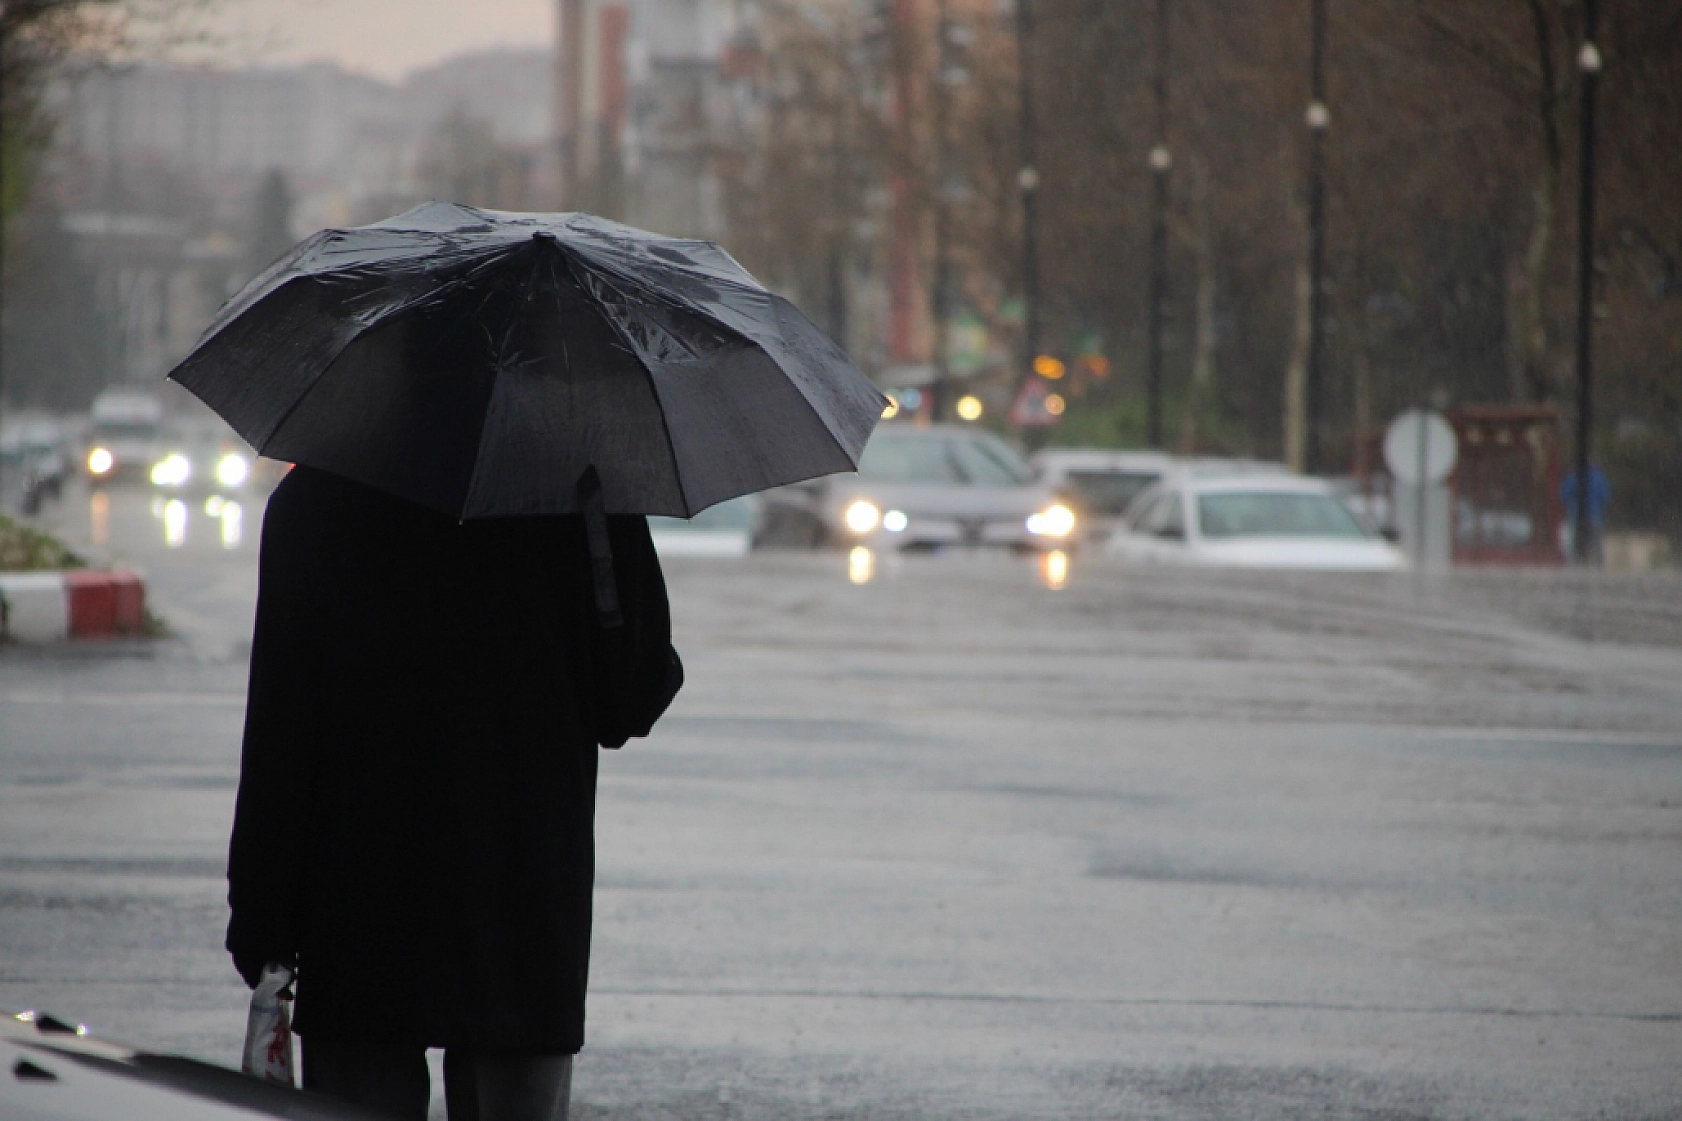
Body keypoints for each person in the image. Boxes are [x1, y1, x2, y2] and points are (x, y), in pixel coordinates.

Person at [226, 466, 683, 1120]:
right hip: (520, 911)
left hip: (358, 911)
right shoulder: (578, 495)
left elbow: (280, 726)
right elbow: (629, 701)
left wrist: (262, 915)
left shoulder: (319, 496)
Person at [1559, 463, 1610, 563]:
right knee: (1596, 541)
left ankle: (1573, 564)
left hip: (1576, 514)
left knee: (1574, 541)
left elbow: (1564, 495)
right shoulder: (1599, 478)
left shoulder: (1573, 477)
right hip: (1594, 514)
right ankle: (1599, 564)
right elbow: (1605, 497)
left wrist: (1569, 507)